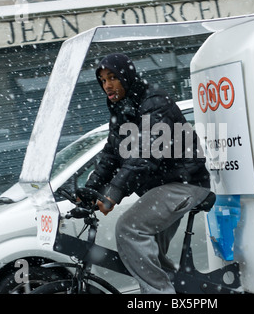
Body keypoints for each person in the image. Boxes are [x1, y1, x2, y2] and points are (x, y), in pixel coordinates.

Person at [84, 53, 211, 294]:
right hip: (161, 186)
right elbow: (112, 154)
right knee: (148, 253)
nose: (107, 85)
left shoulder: (154, 102)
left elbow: (145, 154)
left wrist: (113, 193)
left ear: (126, 76)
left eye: (113, 78)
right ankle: (173, 289)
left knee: (128, 229)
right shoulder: (122, 108)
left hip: (185, 183)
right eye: (102, 80)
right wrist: (91, 188)